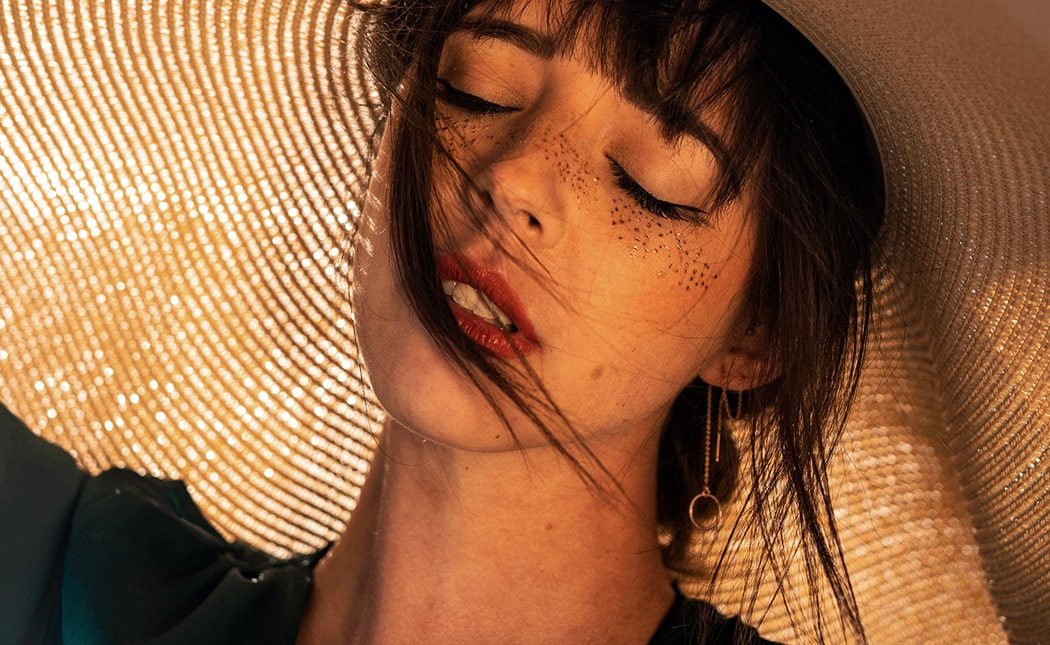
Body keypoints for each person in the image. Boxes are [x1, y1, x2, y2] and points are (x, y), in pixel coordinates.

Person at [1, 0, 1047, 643]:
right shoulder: (73, 580)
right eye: (479, 89)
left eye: (650, 182)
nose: (514, 178)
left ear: (755, 330)